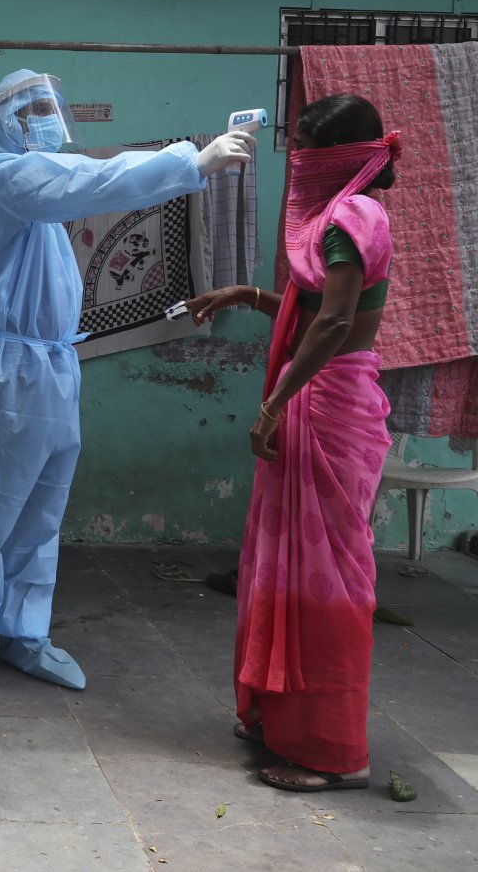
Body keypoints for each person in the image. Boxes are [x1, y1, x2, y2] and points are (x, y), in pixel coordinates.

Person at [0, 69, 254, 697]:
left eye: (49, 104)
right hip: (5, 367)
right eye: (30, 108)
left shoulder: (42, 200)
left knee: (43, 509)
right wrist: (191, 161)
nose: (46, 115)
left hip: (52, 366)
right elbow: (89, 180)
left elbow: (75, 185)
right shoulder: (5, 177)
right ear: (3, 121)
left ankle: (25, 633)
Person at [187, 94, 396, 793]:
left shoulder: (342, 222)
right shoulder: (355, 216)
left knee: (324, 578)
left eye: (302, 145)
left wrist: (274, 404)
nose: (293, 157)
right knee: (285, 566)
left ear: (329, 157)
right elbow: (321, 310)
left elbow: (334, 325)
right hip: (331, 399)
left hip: (328, 406)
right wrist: (250, 295)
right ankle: (283, 718)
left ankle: (333, 751)